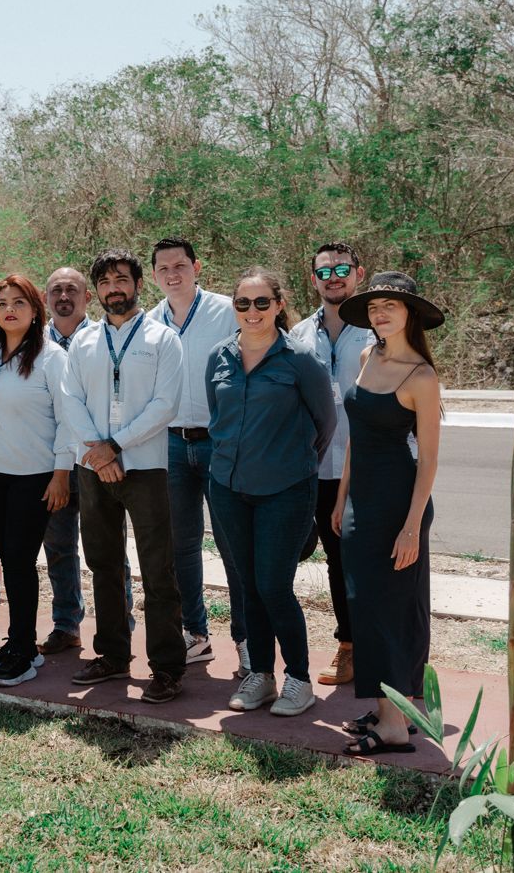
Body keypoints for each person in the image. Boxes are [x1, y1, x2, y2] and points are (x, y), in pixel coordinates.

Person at [206, 268, 336, 717]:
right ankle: (259, 675)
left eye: (262, 302)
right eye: (243, 303)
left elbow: (325, 425)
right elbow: (217, 417)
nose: (252, 312)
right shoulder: (219, 356)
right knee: (245, 586)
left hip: (286, 490)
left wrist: (290, 463)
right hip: (227, 488)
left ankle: (298, 679)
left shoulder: (299, 359)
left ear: (279, 305)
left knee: (273, 586)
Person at [63, 249, 187, 704]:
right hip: (93, 468)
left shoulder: (163, 338)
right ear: (96, 291)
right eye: (106, 281)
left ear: (138, 283)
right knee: (103, 565)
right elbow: (70, 398)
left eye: (122, 279)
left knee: (158, 570)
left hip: (145, 467)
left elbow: (165, 405)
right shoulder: (84, 340)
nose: (114, 287)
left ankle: (168, 667)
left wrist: (115, 445)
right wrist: (98, 451)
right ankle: (113, 655)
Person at [332, 272, 444, 756]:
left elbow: (430, 460)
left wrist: (412, 526)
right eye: (374, 306)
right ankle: (387, 709)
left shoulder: (421, 376)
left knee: (391, 612)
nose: (380, 314)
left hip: (400, 504)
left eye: (390, 306)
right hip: (362, 500)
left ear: (409, 314)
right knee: (367, 608)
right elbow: (356, 437)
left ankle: (396, 726)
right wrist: (341, 498)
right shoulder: (366, 356)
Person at [0, 275, 74, 687]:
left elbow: (67, 420)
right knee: (6, 560)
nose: (9, 309)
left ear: (35, 311)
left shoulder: (51, 357)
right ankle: (16, 642)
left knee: (19, 560)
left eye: (19, 302)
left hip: (34, 476)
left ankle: (25, 651)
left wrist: (61, 473)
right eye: (1, 303)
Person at [147, 236, 239, 669]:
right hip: (171, 443)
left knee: (232, 545)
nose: (172, 274)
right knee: (180, 547)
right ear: (153, 276)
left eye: (180, 265)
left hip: (219, 441)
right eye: (163, 268)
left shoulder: (228, 311)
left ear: (196, 267)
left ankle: (247, 639)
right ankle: (195, 633)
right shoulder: (149, 322)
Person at [288, 242, 373, 687]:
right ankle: (349, 646)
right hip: (316, 467)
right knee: (334, 560)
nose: (333, 277)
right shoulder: (298, 335)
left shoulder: (377, 330)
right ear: (314, 278)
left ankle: (382, 646)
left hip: (366, 467)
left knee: (368, 560)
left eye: (342, 269)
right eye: (325, 271)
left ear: (358, 273)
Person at [38, 266, 93, 654]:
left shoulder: (104, 339)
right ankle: (66, 624)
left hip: (96, 461)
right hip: (50, 464)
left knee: (105, 548)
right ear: (45, 299)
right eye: (56, 290)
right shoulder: (34, 344)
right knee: (57, 546)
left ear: (87, 297)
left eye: (72, 289)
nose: (63, 296)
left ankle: (116, 623)